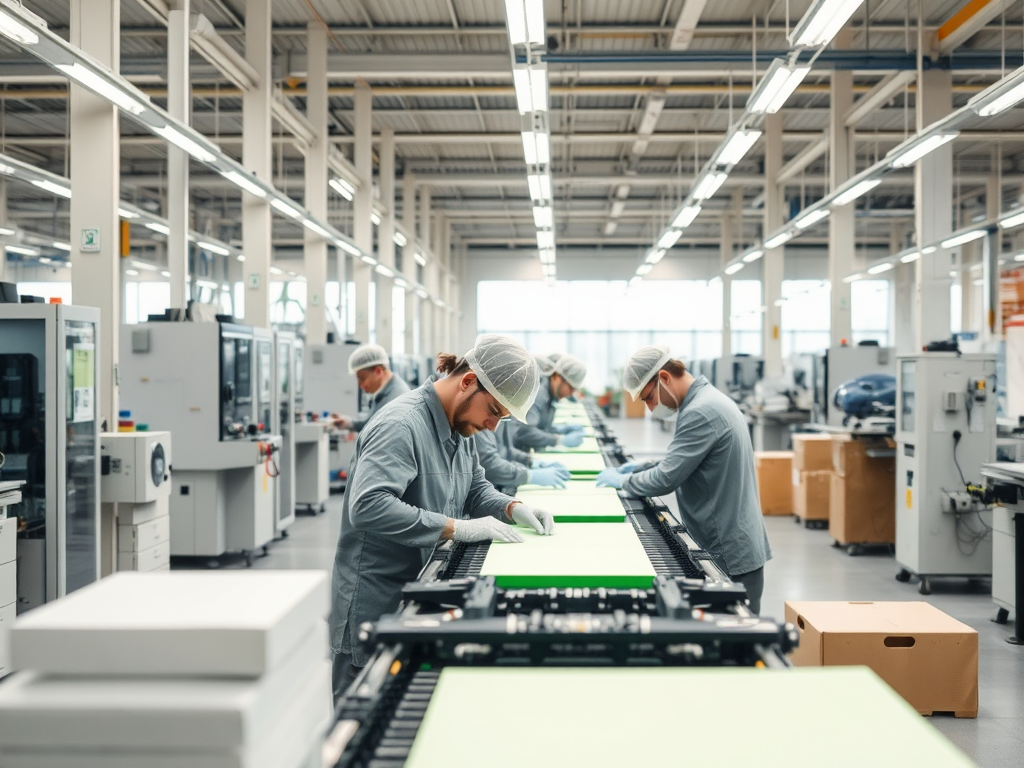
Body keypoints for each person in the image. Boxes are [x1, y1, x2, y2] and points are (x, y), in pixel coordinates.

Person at [329, 335, 557, 701]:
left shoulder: (460, 426)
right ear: (468, 382)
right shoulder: (401, 425)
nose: (493, 426)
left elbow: (476, 489)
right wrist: (456, 528)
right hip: (376, 601)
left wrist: (512, 508)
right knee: (363, 720)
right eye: (495, 411)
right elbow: (368, 505)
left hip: (418, 588)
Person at [595, 346, 771, 614]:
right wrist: (640, 468)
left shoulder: (700, 411)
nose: (651, 407)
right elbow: (685, 463)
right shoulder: (707, 400)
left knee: (734, 640)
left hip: (728, 549)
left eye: (648, 398)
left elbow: (666, 478)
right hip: (734, 541)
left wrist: (624, 482)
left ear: (664, 378)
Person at [512, 353, 589, 451]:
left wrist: (558, 430)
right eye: (571, 387)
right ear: (557, 376)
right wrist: (558, 440)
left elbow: (541, 427)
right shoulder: (539, 394)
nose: (570, 394)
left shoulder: (551, 395)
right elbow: (525, 433)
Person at [330, 343, 410, 432]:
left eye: (362, 379)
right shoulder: (385, 392)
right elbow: (371, 423)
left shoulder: (395, 398)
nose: (360, 385)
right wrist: (349, 423)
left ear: (378, 371)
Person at [475, 420, 570, 495]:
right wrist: (528, 476)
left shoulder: (505, 415)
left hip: (496, 489)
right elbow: (489, 466)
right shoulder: (482, 419)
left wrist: (529, 461)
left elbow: (506, 450)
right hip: (488, 489)